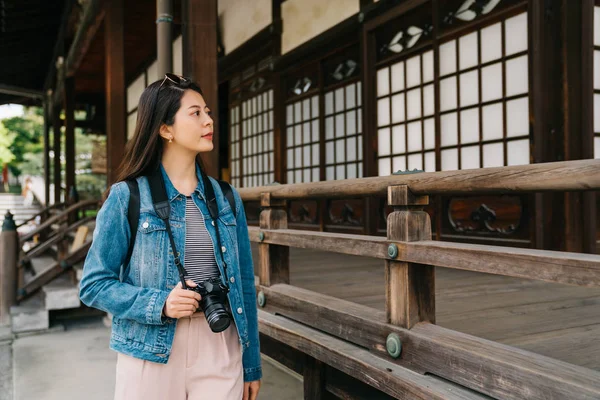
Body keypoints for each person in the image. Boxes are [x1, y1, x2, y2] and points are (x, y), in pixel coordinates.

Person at [79, 74, 261, 400]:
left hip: (220, 342)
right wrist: (161, 303)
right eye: (195, 113)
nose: (209, 120)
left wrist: (251, 365)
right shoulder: (128, 197)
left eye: (207, 111)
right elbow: (93, 285)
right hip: (151, 350)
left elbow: (245, 283)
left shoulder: (225, 197)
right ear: (165, 129)